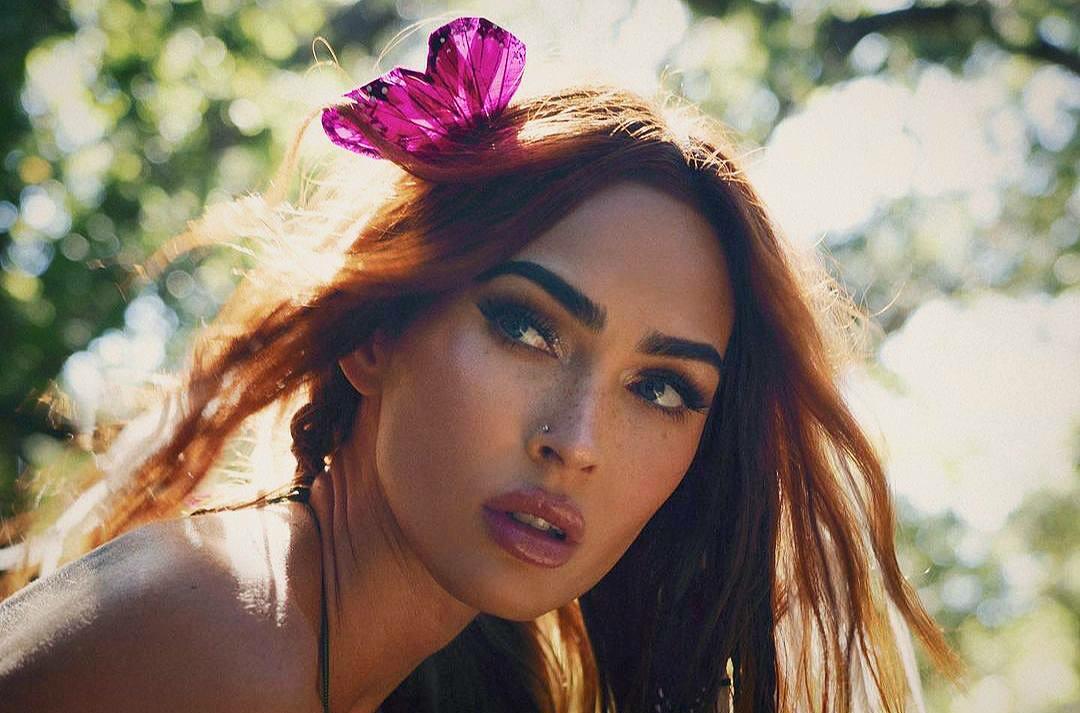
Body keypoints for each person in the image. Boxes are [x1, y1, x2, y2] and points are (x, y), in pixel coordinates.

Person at [0, 16, 958, 713]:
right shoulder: (212, 636)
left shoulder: (410, 667)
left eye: (661, 387)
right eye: (528, 329)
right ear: (378, 332)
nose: (575, 441)